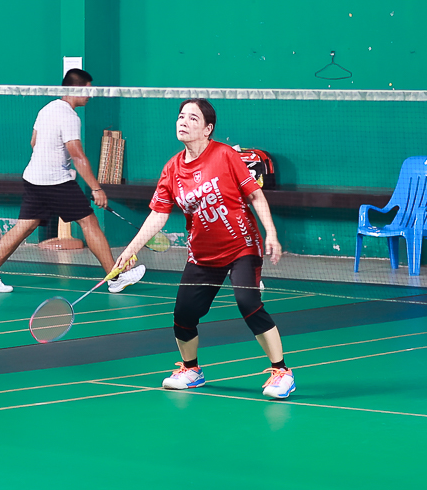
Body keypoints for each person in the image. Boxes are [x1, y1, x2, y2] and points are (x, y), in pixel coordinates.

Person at [116, 98, 294, 399]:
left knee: (248, 303)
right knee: (183, 314)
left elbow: (255, 195)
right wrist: (131, 249)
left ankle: (282, 372)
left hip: (241, 246)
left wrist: (271, 233)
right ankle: (191, 370)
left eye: (193, 118)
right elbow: (159, 214)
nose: (183, 122)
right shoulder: (172, 169)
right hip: (202, 254)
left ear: (208, 129)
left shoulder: (225, 156)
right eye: (181, 116)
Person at [0, 67, 145, 296]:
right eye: (87, 90)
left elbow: (33, 142)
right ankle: (115, 278)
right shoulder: (70, 117)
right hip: (56, 182)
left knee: (25, 226)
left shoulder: (46, 109)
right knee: (89, 222)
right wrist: (96, 188)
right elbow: (77, 155)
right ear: (75, 89)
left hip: (33, 178)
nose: (90, 95)